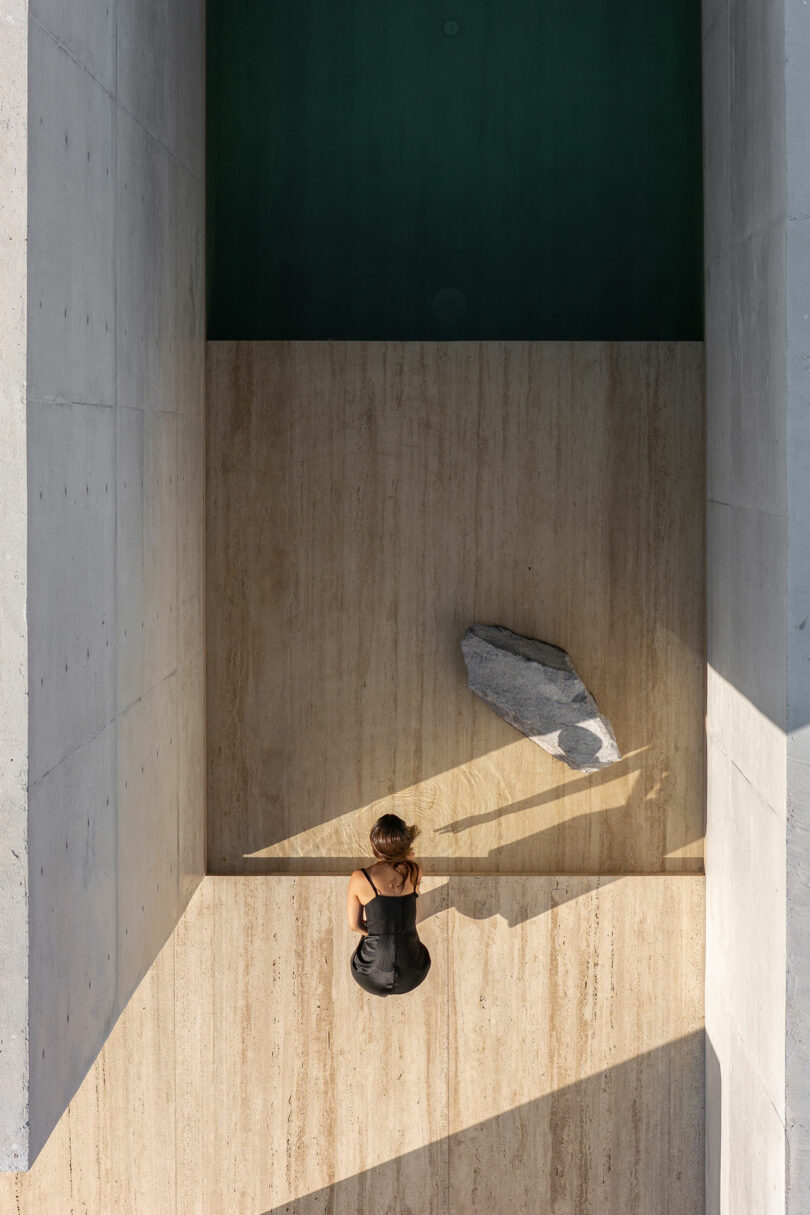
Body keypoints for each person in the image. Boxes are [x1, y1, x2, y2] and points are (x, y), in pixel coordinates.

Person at [347, 813, 431, 996]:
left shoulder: (361, 877)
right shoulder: (415, 870)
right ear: (405, 845)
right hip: (413, 972)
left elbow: (354, 926)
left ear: (375, 845)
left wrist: (376, 934)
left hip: (370, 977)